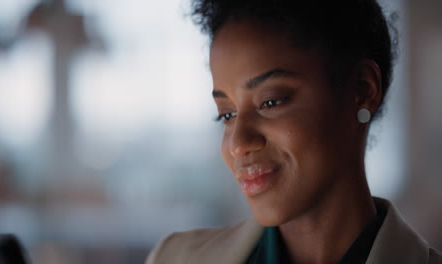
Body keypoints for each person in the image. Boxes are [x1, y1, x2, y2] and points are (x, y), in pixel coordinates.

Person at [146, 0, 442, 263]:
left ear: (363, 90)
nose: (238, 143)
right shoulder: (174, 258)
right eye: (227, 114)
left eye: (270, 102)